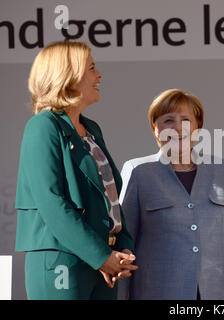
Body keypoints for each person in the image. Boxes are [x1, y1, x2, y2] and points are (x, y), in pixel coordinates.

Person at [117, 89, 224, 300]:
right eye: (168, 120)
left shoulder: (220, 169)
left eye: (185, 120)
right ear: (155, 129)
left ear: (197, 128)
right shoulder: (138, 171)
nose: (177, 128)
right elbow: (124, 245)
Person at [15, 41, 138, 300]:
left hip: (103, 264)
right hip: (64, 261)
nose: (100, 75)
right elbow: (51, 203)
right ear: (67, 76)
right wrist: (102, 257)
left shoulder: (91, 128)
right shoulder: (43, 126)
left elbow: (111, 197)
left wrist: (122, 249)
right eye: (92, 68)